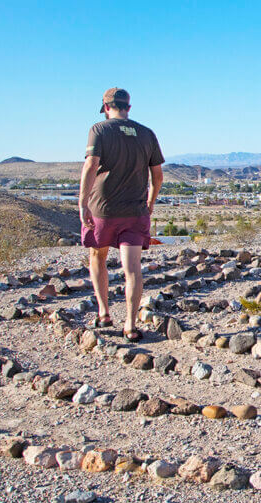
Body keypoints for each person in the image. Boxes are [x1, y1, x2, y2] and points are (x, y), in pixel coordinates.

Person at [79, 88, 164, 341]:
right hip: (135, 210)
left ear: (106, 107)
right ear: (128, 107)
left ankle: (104, 313)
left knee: (97, 256)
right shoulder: (147, 133)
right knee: (133, 268)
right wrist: (150, 201)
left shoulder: (99, 130)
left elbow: (91, 165)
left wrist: (82, 201)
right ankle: (130, 324)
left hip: (102, 209)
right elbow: (157, 175)